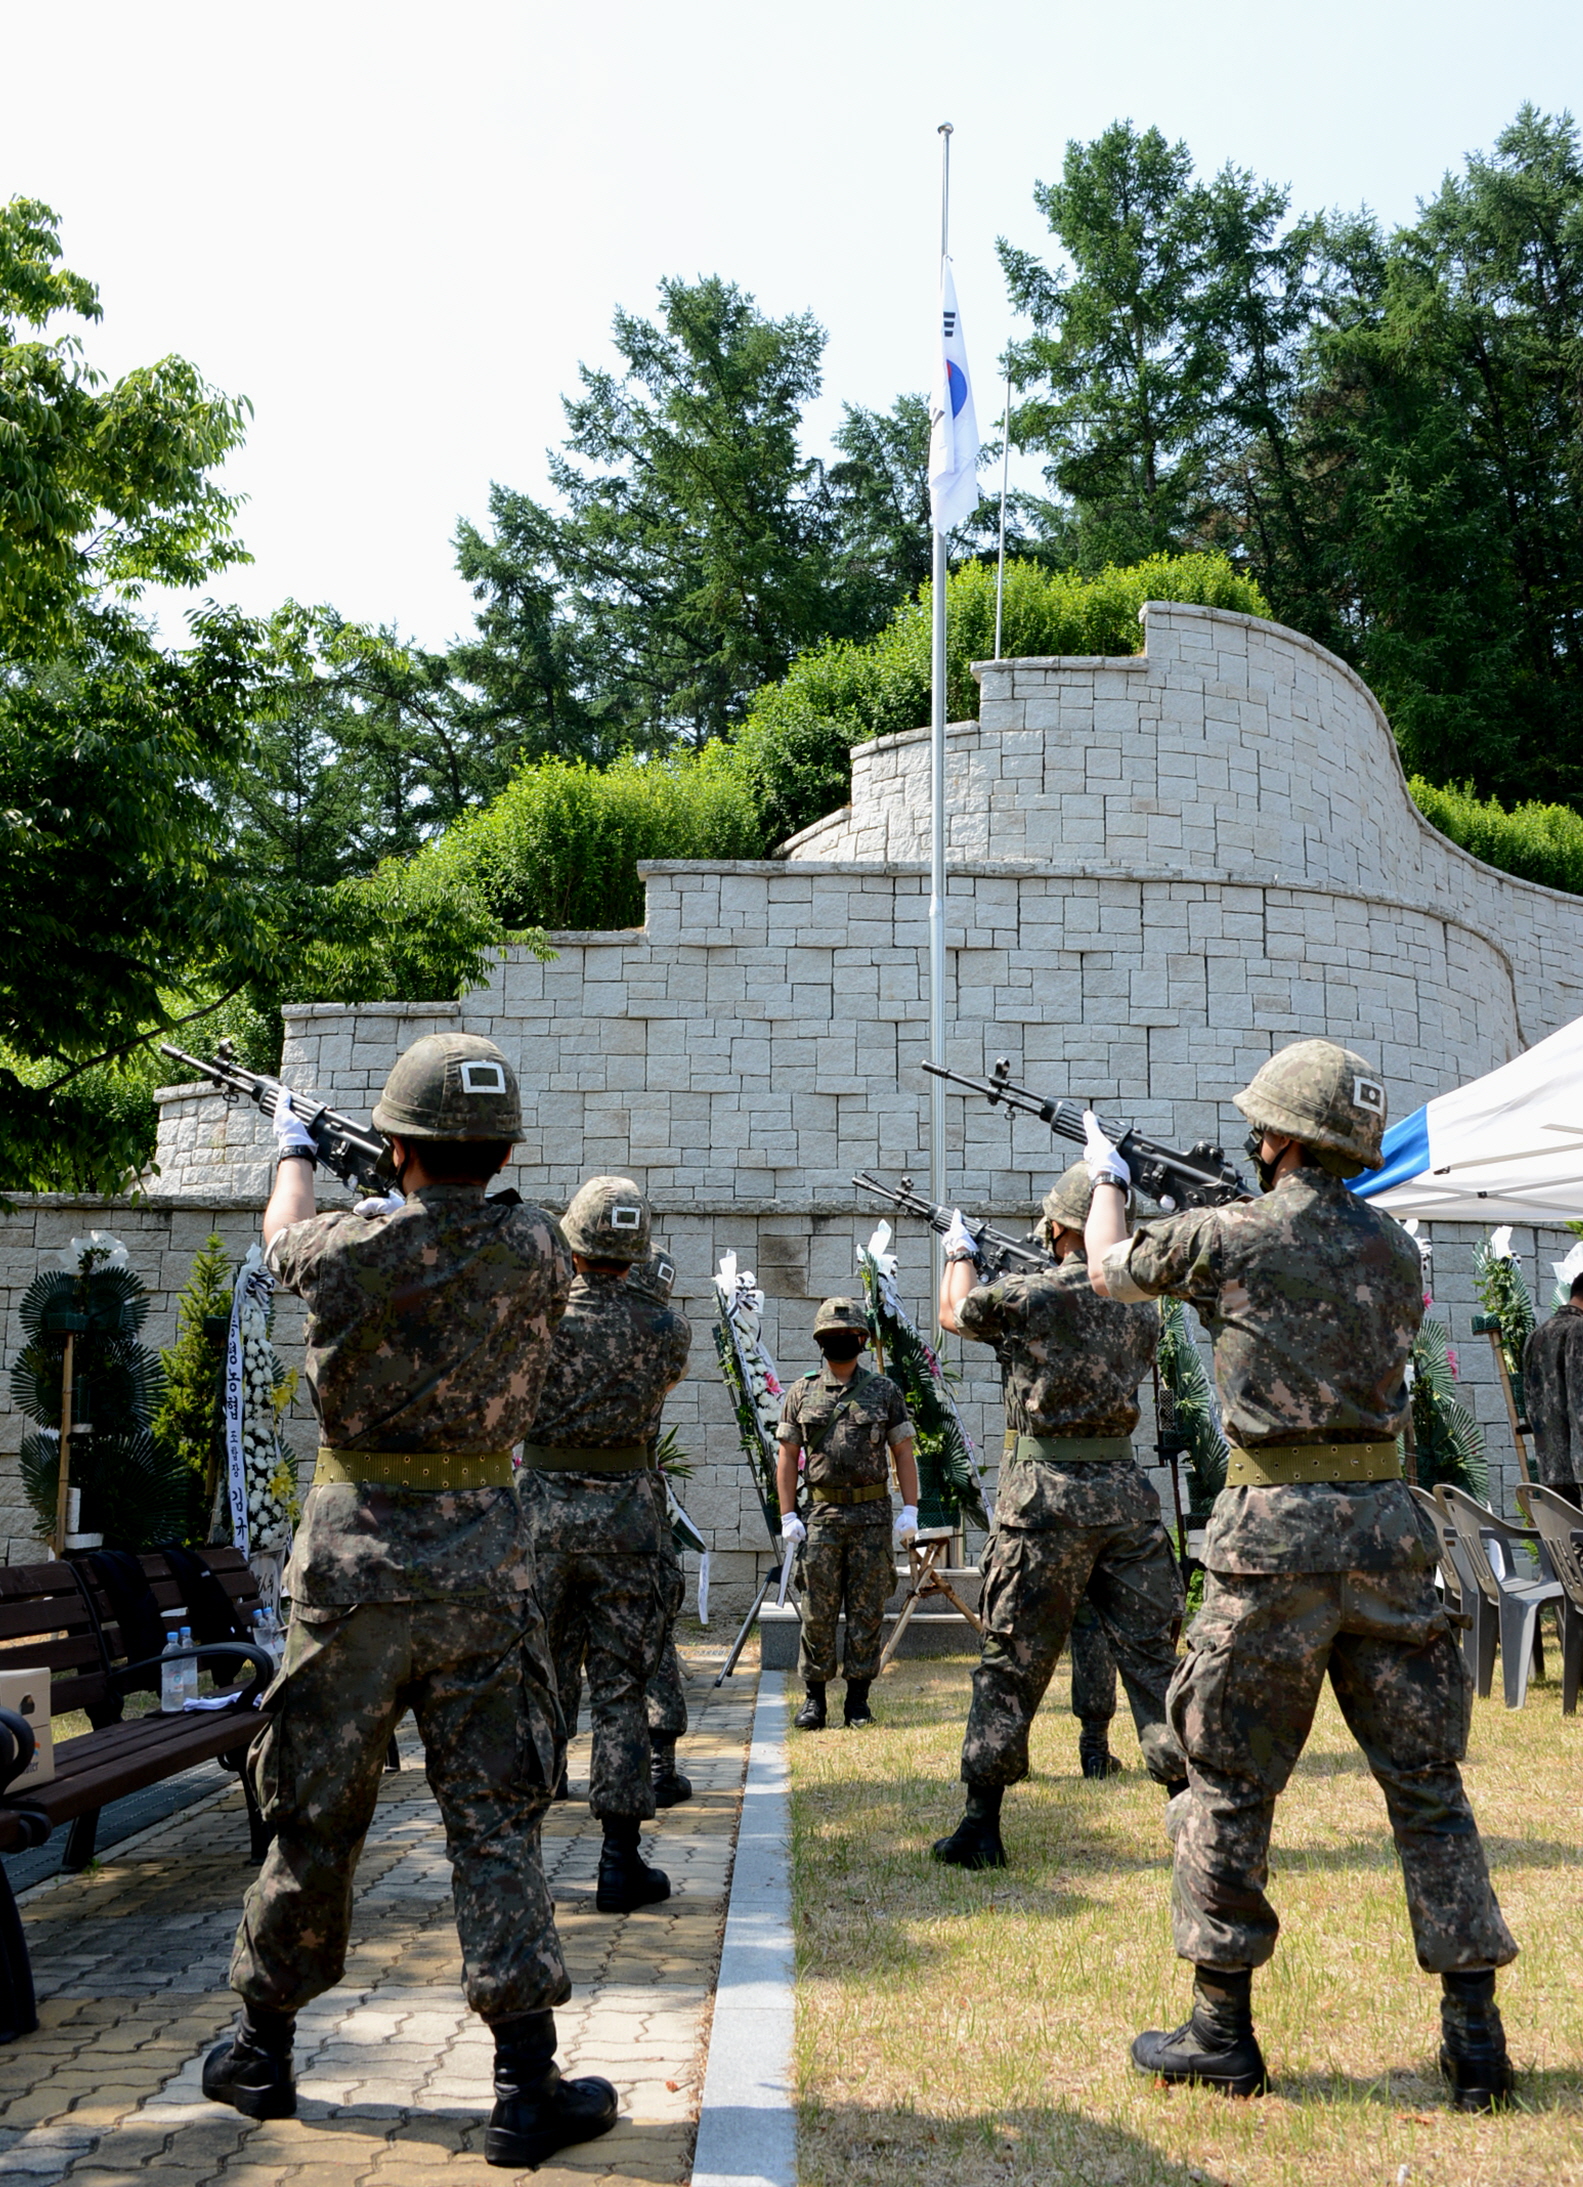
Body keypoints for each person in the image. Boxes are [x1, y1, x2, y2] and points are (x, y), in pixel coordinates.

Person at [203, 1032, 618, 2174]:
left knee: (316, 1814)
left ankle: (261, 2047)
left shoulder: (355, 1243)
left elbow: (285, 1239)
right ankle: (524, 2086)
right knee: (494, 1818)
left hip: (353, 1573)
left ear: (395, 1144)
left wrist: (296, 1149)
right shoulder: (540, 1246)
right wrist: (393, 1181)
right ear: (501, 1147)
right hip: (485, 1566)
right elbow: (457, 1231)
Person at [1087, 1038, 1517, 2112]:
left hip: (1270, 1541)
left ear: (1276, 1136)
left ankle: (1219, 2031)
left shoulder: (1223, 1234)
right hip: (1385, 1535)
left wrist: (1106, 1177)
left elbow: (1105, 1270)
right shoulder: (1393, 1252)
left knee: (1227, 1783)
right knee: (1428, 1794)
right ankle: (1474, 2039)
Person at [932, 1162, 1186, 1871]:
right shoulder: (1142, 1305)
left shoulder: (1032, 1293)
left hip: (1044, 1499)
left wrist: (959, 1253)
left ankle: (981, 1823)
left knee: (1011, 1660)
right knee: (1154, 1661)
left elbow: (956, 1312)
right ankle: (1189, 1798)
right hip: (1123, 1498)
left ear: (1055, 1228)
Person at [520, 1180, 691, 1914]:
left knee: (535, 1682)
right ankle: (619, 1861)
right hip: (627, 1522)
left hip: (544, 1518)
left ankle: (516, 1855)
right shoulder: (667, 1329)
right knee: (620, 1688)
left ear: (575, 1240)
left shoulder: (536, 1316)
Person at [548, 1246, 695, 1810]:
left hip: (551, 1511)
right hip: (629, 1509)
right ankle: (655, 1773)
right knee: (636, 1659)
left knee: (552, 1648)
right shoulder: (661, 1329)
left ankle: (552, 1770)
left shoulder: (550, 1317)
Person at [776, 1298, 918, 1730]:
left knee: (867, 1611)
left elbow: (903, 1452)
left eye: (848, 1335)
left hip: (872, 1521)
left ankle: (858, 1701)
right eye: (833, 1336)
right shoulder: (800, 1392)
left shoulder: (884, 1391)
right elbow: (786, 1458)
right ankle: (814, 1700)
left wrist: (911, 1508)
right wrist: (787, 1515)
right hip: (820, 1517)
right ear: (821, 1342)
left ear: (862, 1339)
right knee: (817, 1611)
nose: (841, 1341)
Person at [1522, 1270, 1583, 1507]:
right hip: (1578, 1467)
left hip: (1549, 1466)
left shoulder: (1536, 1335)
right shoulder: (1579, 1329)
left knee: (1562, 1542)